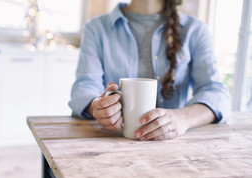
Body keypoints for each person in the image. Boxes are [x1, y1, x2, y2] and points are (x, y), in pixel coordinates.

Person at [68, 0, 231, 141]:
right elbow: (84, 86)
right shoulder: (96, 28)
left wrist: (182, 118)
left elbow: (216, 93)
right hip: (112, 144)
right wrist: (96, 106)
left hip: (175, 147)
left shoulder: (195, 30)